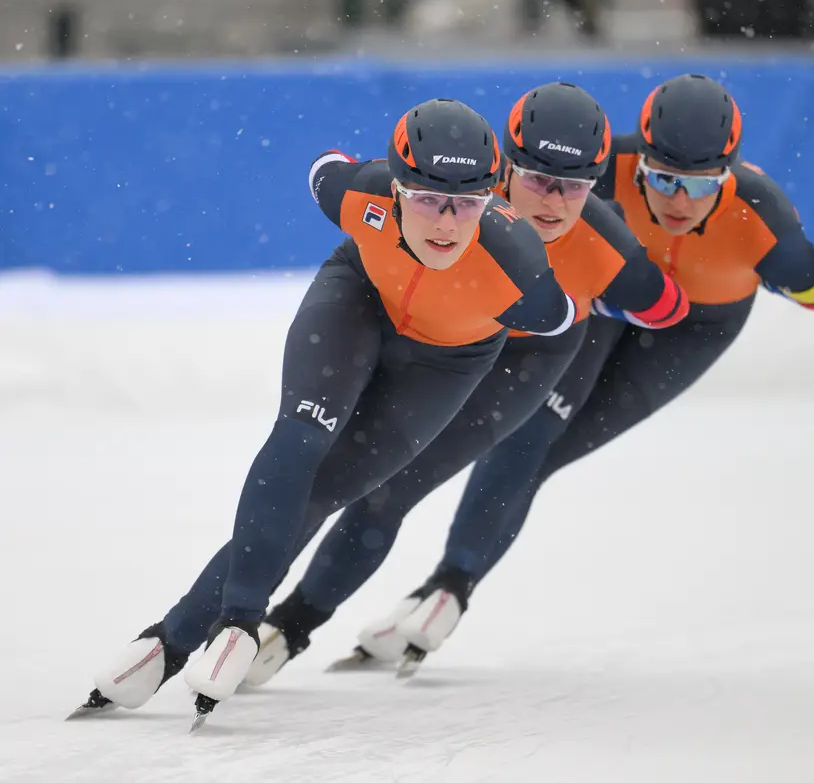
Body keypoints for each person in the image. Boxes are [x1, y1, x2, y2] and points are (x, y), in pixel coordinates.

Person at [252, 73, 814, 678]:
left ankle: (451, 584)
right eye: (661, 176)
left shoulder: (763, 218)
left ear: (729, 176)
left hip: (693, 329)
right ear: (636, 156)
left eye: (700, 185)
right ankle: (310, 616)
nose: (677, 200)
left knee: (542, 452)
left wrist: (800, 273)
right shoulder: (596, 169)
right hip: (600, 309)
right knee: (486, 451)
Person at [72, 98, 583, 725]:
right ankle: (233, 624)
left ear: (490, 196)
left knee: (326, 493)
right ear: (394, 188)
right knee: (300, 436)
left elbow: (558, 320)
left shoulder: (520, 264)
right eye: (425, 198)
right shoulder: (355, 193)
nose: (446, 222)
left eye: (467, 202)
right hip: (358, 301)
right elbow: (324, 167)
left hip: (446, 364)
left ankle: (171, 637)